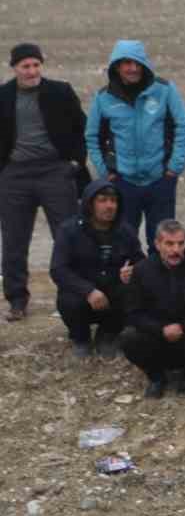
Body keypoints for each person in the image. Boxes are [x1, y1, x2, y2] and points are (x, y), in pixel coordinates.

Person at [1, 42, 87, 321]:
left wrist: (75, 163)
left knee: (67, 235)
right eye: (25, 66)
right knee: (14, 239)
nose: (32, 70)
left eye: (36, 64)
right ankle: (16, 300)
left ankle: (72, 297)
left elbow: (81, 128)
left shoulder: (60, 92)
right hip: (15, 175)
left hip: (55, 171)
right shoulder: (3, 96)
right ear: (14, 68)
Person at [87, 40, 185, 250]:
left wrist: (174, 168)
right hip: (122, 183)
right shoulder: (103, 98)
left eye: (137, 63)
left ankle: (161, 284)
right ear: (116, 66)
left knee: (163, 245)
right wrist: (106, 172)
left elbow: (183, 127)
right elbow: (92, 136)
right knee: (123, 245)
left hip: (160, 180)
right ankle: (128, 283)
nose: (132, 68)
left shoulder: (164, 90)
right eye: (126, 63)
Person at [121, 219, 185, 398]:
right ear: (157, 244)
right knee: (128, 337)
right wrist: (160, 329)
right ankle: (156, 377)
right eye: (169, 244)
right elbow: (133, 313)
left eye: (180, 243)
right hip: (155, 338)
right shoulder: (141, 271)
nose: (176, 250)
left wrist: (182, 327)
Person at [51, 178, 142, 358]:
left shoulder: (126, 231)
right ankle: (81, 338)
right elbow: (58, 269)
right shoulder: (69, 230)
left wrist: (133, 271)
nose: (109, 206)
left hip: (113, 292)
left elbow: (140, 262)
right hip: (82, 293)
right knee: (69, 300)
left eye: (113, 200)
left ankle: (108, 335)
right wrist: (88, 290)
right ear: (90, 204)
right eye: (102, 200)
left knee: (132, 293)